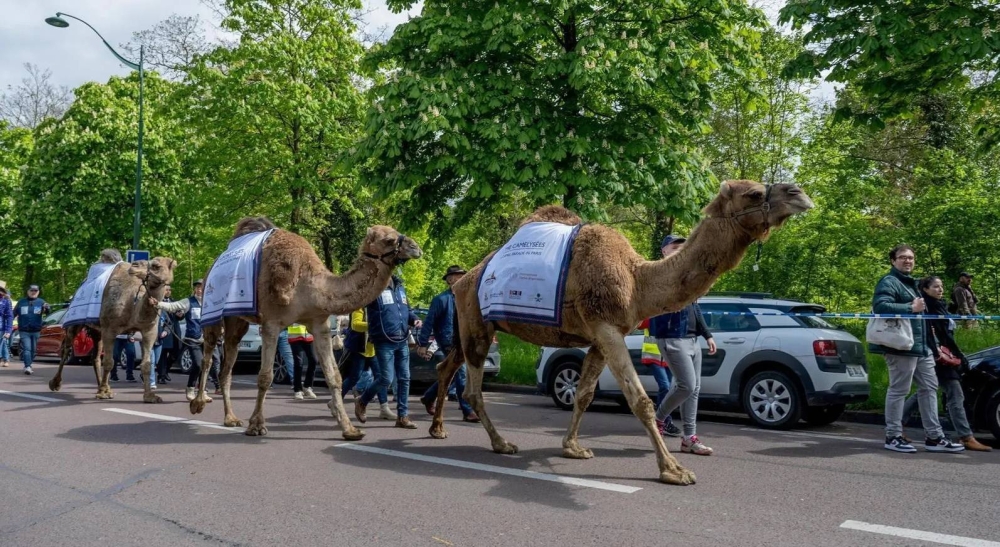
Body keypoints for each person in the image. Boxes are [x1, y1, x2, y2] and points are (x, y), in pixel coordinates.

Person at [872, 245, 964, 453]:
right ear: (893, 260)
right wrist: (910, 308)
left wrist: (933, 345)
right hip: (900, 345)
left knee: (929, 388)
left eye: (911, 258)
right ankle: (893, 436)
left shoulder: (913, 283)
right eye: (902, 257)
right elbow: (880, 306)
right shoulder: (889, 281)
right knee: (899, 390)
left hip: (921, 347)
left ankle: (934, 437)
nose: (908, 261)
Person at [901, 277, 992, 452]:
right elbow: (930, 334)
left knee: (926, 391)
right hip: (937, 356)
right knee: (955, 393)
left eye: (941, 286)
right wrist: (940, 353)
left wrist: (957, 353)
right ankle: (966, 436)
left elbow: (947, 334)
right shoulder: (925, 307)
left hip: (943, 354)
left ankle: (898, 424)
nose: (940, 289)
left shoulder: (940, 305)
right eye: (936, 286)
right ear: (925, 289)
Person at [650, 236, 717, 456]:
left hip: (692, 339)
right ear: (664, 251)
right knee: (686, 385)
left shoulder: (688, 274)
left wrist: (707, 335)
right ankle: (658, 419)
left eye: (683, 247)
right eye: (675, 247)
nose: (681, 250)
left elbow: (695, 307)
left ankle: (689, 439)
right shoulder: (658, 273)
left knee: (694, 389)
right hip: (672, 337)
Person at [354, 274, 422, 429]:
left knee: (405, 378)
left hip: (402, 339)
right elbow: (361, 305)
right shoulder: (374, 287)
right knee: (386, 378)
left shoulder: (400, 288)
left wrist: (414, 319)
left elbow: (407, 310)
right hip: (383, 340)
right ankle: (362, 401)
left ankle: (402, 417)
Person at [417, 265, 480, 423]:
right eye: (458, 276)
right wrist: (423, 343)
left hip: (463, 339)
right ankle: (467, 410)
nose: (462, 279)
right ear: (450, 280)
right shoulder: (441, 300)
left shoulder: (466, 298)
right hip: (448, 341)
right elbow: (429, 322)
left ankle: (429, 397)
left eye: (463, 276)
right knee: (461, 373)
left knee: (450, 372)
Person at [154, 278, 219, 402]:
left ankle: (203, 391)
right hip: (192, 339)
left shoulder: (211, 303)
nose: (200, 290)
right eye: (198, 287)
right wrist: (158, 303)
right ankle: (190, 388)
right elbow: (172, 306)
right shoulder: (188, 302)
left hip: (207, 340)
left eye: (202, 288)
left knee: (206, 365)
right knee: (198, 364)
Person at [342, 307, 392, 418]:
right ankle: (336, 401)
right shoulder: (360, 306)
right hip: (360, 348)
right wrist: (375, 325)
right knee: (354, 377)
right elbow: (355, 324)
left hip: (374, 349)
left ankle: (384, 408)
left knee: (381, 378)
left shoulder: (379, 307)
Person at [13, 284, 50, 375]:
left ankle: (28, 364)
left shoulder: (41, 302)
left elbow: (47, 312)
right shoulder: (21, 302)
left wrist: (47, 308)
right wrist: (8, 324)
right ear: (28, 291)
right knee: (27, 348)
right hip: (24, 330)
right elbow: (13, 314)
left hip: (36, 330)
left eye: (35, 291)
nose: (33, 292)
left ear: (38, 292)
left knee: (33, 350)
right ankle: (27, 366)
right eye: (31, 290)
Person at [288, 324, 318, 400]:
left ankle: (307, 387)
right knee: (299, 363)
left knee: (314, 360)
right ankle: (297, 390)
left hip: (308, 336)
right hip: (295, 337)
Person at [0, 284, 13, 368]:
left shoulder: (6, 301)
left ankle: (5, 359)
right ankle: (5, 359)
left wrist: (8, 330)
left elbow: (9, 316)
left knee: (3, 342)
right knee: (4, 343)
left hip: (1, 326)